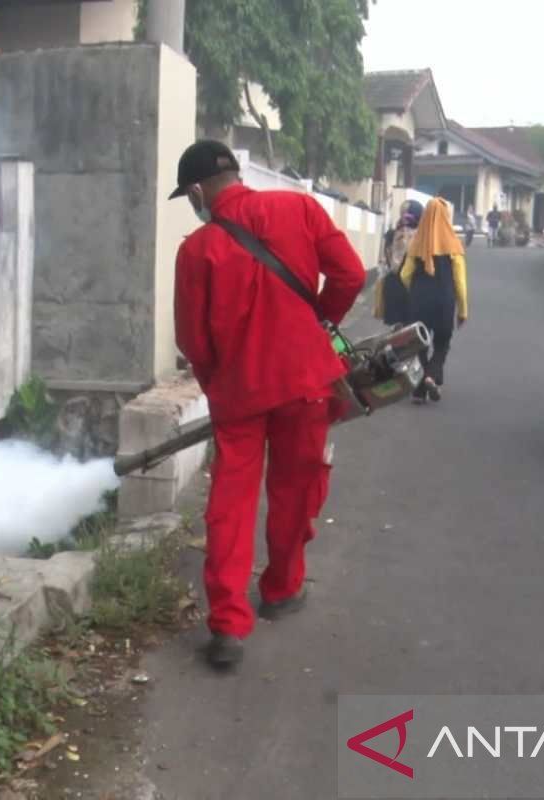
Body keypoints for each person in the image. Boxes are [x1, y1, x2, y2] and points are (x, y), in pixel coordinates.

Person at [170, 140, 366, 669]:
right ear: (236, 173)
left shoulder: (196, 250)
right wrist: (319, 323)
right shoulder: (299, 207)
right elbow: (351, 275)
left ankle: (229, 626)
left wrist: (220, 382)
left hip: (240, 395)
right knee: (295, 487)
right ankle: (281, 589)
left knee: (231, 504)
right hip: (307, 383)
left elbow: (192, 341)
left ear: (196, 192)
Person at [398, 197, 470, 402]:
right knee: (441, 343)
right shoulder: (454, 245)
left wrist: (415, 291)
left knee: (419, 345)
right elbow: (460, 283)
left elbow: (404, 275)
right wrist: (463, 311)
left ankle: (419, 390)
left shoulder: (417, 243)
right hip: (444, 302)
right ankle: (431, 376)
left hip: (419, 301)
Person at [374, 199, 423, 326]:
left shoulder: (391, 234)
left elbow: (383, 262)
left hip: (393, 285)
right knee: (413, 332)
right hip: (413, 288)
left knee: (398, 331)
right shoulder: (423, 237)